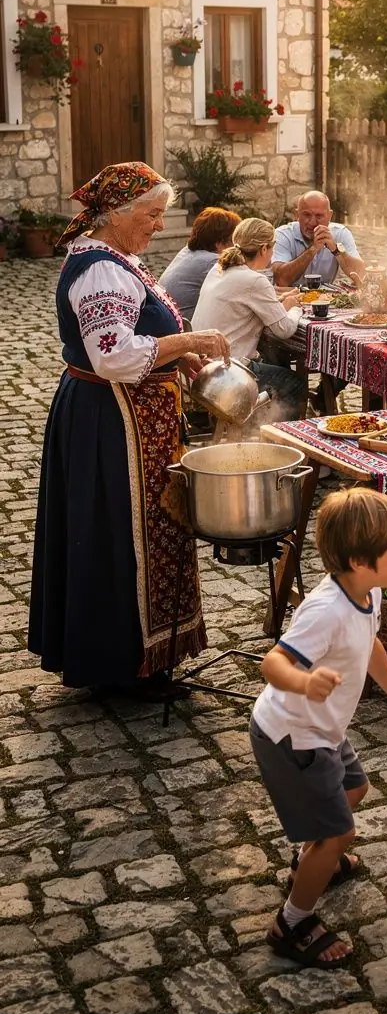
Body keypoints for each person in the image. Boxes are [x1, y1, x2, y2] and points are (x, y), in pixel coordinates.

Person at [28, 163, 231, 691]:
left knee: (141, 528)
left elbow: (136, 335)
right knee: (121, 532)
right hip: (112, 422)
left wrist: (174, 359)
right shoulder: (101, 269)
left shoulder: (119, 259)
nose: (158, 226)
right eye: (151, 215)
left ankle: (144, 654)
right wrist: (188, 343)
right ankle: (122, 662)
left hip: (133, 416)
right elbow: (113, 355)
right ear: (116, 216)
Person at [249, 488, 387, 967]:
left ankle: (311, 862)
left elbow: (370, 646)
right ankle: (293, 922)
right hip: (292, 736)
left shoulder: (367, 592)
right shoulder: (325, 610)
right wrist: (305, 682)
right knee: (338, 833)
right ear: (358, 559)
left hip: (321, 731)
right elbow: (273, 662)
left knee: (356, 789)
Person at [192, 218, 306, 419]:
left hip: (204, 367)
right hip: (228, 372)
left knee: (271, 356)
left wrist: (280, 302)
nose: (272, 253)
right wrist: (296, 308)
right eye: (272, 247)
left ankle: (264, 425)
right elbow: (285, 329)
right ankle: (283, 440)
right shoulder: (254, 280)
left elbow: (246, 302)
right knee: (294, 382)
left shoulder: (219, 268)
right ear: (263, 249)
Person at [159, 206, 241, 321]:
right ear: (219, 243)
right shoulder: (212, 261)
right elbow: (244, 287)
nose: (238, 247)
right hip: (183, 329)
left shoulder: (187, 251)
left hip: (167, 320)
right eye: (235, 242)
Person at [271, 191, 366, 288]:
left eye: (319, 216)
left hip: (325, 299)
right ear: (297, 215)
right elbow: (281, 280)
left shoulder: (340, 233)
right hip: (289, 298)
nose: (312, 222)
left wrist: (336, 250)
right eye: (307, 215)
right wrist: (313, 249)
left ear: (329, 216)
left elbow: (361, 274)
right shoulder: (283, 235)